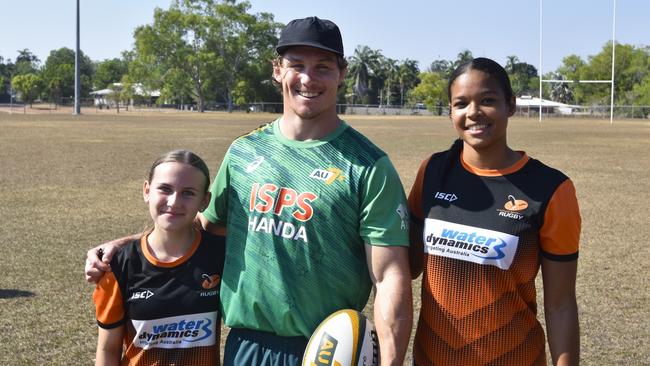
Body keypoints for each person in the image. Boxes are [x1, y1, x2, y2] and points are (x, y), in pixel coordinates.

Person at [86, 17, 412, 366]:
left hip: (326, 350)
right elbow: (202, 233)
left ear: (342, 73)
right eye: (296, 66)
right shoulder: (243, 152)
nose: (308, 79)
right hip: (245, 348)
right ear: (277, 70)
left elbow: (389, 275)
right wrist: (128, 245)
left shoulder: (368, 166)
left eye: (323, 67)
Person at [408, 58, 580, 366]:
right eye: (461, 103)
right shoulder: (433, 171)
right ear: (450, 111)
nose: (473, 112)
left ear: (510, 105)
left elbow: (561, 305)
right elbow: (407, 266)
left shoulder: (551, 188)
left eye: (487, 100)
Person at [93, 150, 225, 365]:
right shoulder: (118, 265)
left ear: (205, 200)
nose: (174, 202)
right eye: (165, 189)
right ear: (147, 191)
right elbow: (108, 349)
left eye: (188, 193)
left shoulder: (220, 254)